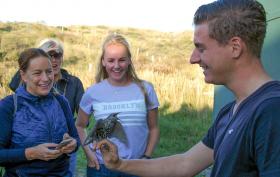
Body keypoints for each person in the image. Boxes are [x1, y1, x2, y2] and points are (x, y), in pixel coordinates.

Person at [94, 0, 280, 177]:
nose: (193, 58)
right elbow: (185, 164)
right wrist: (120, 164)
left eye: (201, 48)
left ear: (235, 47)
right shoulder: (230, 111)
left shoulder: (271, 111)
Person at [75, 33, 160, 177]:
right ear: (103, 61)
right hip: (102, 169)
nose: (116, 66)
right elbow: (79, 125)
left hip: (137, 166)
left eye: (121, 60)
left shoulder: (146, 89)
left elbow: (154, 128)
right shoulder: (92, 92)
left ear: (129, 61)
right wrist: (89, 154)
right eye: (110, 60)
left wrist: (147, 157)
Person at [8, 38, 84, 175]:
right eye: (49, 55)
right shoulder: (10, 105)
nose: (45, 78)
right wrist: (31, 153)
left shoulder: (65, 96)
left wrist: (72, 142)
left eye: (58, 55)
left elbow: (77, 134)